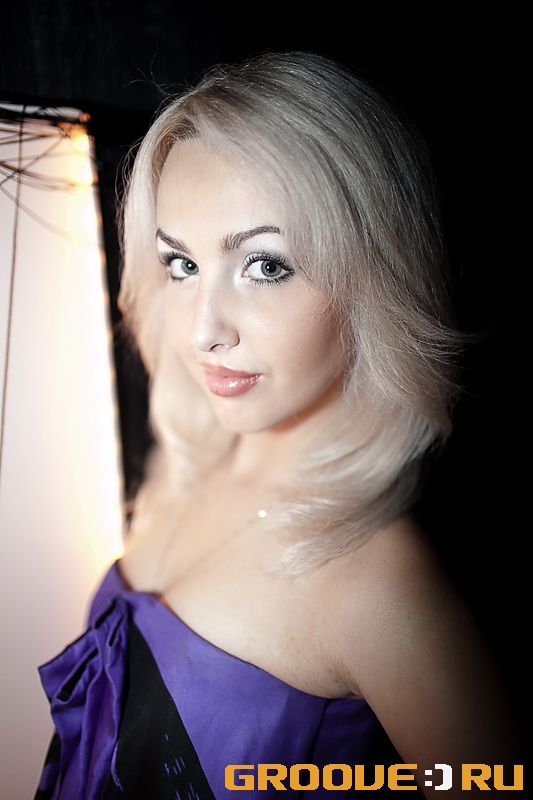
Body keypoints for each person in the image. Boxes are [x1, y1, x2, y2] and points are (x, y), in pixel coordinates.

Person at [34, 50, 525, 800]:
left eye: (265, 266)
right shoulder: (185, 467)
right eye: (181, 264)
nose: (203, 330)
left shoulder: (372, 581)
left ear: (373, 280)